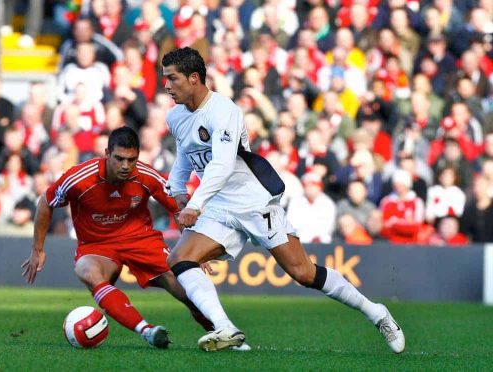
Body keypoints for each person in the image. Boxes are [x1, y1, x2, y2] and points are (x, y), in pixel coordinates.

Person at [161, 47, 405, 353]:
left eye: (172, 78)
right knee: (179, 260)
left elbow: (222, 165)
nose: (166, 85)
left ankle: (376, 312)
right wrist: (179, 190)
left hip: (253, 200)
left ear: (194, 78)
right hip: (218, 205)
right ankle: (226, 329)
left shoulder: (224, 111)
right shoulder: (176, 116)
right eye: (164, 78)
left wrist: (195, 204)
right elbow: (185, 155)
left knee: (303, 272)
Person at [21, 127, 214, 348]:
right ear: (107, 153)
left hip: (140, 239)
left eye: (131, 160)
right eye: (119, 158)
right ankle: (147, 331)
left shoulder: (145, 175)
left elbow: (180, 207)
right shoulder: (80, 178)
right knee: (86, 270)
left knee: (184, 285)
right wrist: (38, 248)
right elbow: (46, 202)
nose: (125, 166)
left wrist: (195, 247)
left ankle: (220, 330)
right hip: (97, 245)